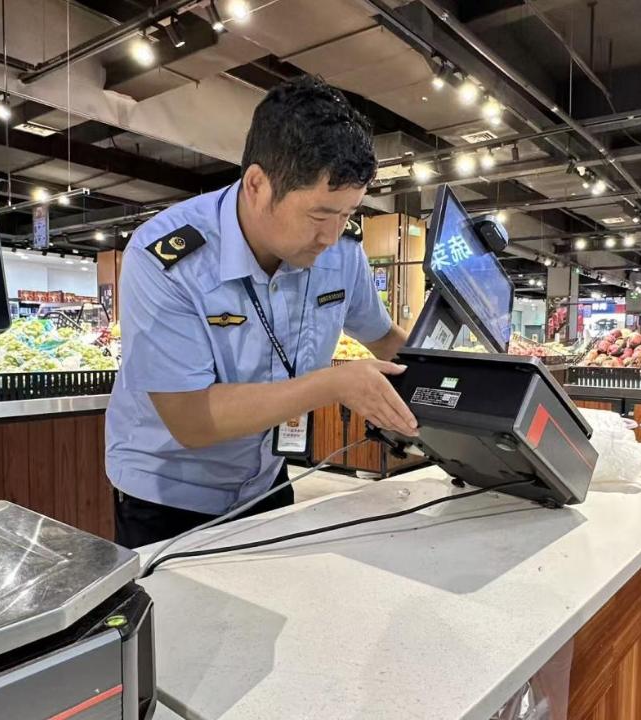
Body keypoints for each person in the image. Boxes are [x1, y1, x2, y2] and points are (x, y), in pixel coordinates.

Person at [105, 75, 419, 549]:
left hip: (267, 481)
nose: (332, 236)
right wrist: (333, 384)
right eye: (320, 215)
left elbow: (386, 339)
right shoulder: (167, 259)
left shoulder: (341, 253)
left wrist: (467, 384)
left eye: (348, 214)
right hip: (168, 496)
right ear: (257, 185)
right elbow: (191, 420)